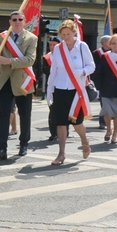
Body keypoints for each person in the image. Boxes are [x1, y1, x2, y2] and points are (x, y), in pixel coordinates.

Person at [45, 19, 94, 165]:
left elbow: (92, 66)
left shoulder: (81, 46)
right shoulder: (58, 49)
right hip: (60, 88)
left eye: (68, 34)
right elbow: (54, 70)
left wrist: (82, 71)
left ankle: (84, 141)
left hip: (76, 90)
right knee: (60, 122)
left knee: (76, 122)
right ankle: (61, 153)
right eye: (63, 34)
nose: (66, 37)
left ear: (74, 32)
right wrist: (49, 88)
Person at [0, 11, 38, 159]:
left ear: (24, 21)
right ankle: (2, 148)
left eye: (20, 19)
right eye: (14, 20)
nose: (17, 22)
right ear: (10, 21)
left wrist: (9, 61)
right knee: (4, 116)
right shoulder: (2, 37)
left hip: (23, 81)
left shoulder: (31, 38)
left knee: (25, 115)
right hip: (4, 81)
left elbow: (30, 60)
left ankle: (24, 144)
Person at [90, 35, 111, 129]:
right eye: (110, 41)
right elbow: (94, 67)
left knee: (109, 103)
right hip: (101, 82)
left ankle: (107, 120)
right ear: (104, 43)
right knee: (104, 102)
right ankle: (102, 122)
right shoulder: (96, 53)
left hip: (111, 81)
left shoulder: (113, 52)